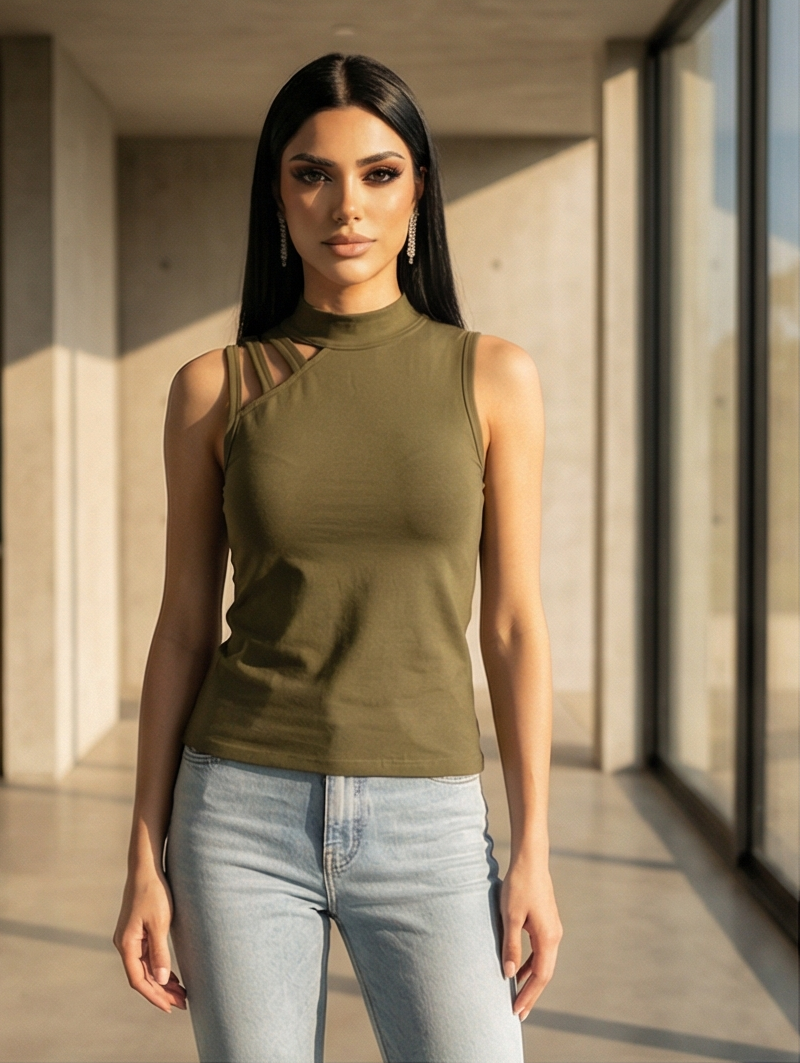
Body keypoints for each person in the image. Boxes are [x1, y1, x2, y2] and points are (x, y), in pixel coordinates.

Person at [114, 52, 562, 1063]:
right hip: (237, 814)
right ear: (277, 195)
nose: (345, 205)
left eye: (379, 172)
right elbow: (183, 625)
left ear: (419, 191)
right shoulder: (212, 388)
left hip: (431, 823)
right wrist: (145, 855)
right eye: (312, 174)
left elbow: (514, 623)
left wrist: (532, 847)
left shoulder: (491, 376)